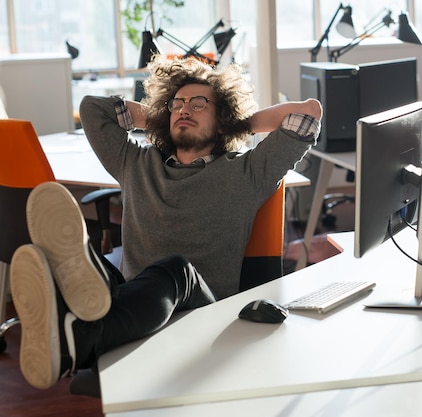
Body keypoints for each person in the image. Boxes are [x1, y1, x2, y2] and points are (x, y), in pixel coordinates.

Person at [10, 57, 322, 390]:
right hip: (131, 302)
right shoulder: (135, 162)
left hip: (201, 311)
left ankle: (83, 340)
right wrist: (165, 115)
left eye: (199, 103)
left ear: (223, 120)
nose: (185, 110)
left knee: (175, 269)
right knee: (83, 264)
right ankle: (72, 330)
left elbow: (308, 113)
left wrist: (235, 125)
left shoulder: (248, 172)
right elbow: (92, 108)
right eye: (178, 104)